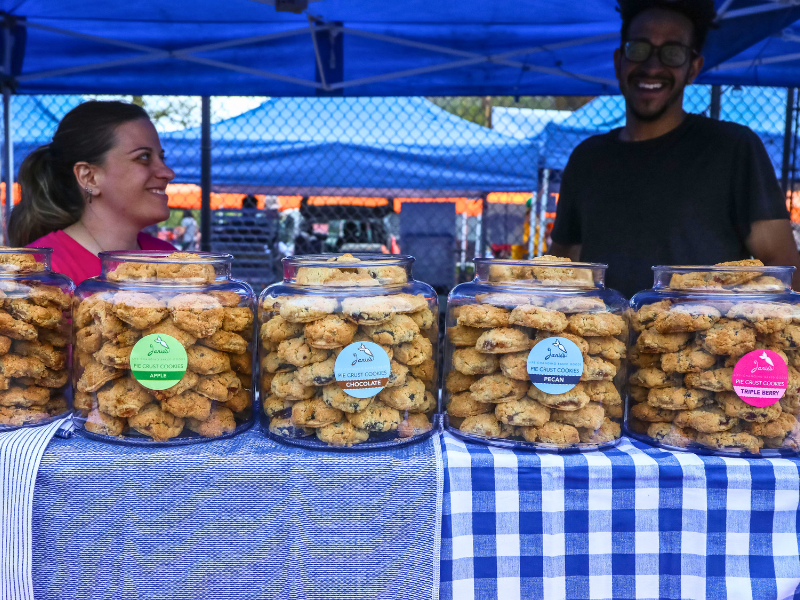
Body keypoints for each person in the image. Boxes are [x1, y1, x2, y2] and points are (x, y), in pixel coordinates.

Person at [549, 0, 800, 297]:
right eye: (639, 49)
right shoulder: (587, 158)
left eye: (672, 53)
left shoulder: (733, 149)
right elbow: (561, 270)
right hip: (604, 340)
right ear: (619, 61)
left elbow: (782, 267)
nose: (653, 66)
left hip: (703, 340)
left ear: (693, 68)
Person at [10, 100, 176, 285]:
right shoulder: (38, 274)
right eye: (143, 157)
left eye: (161, 158)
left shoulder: (169, 259)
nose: (168, 173)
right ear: (89, 177)